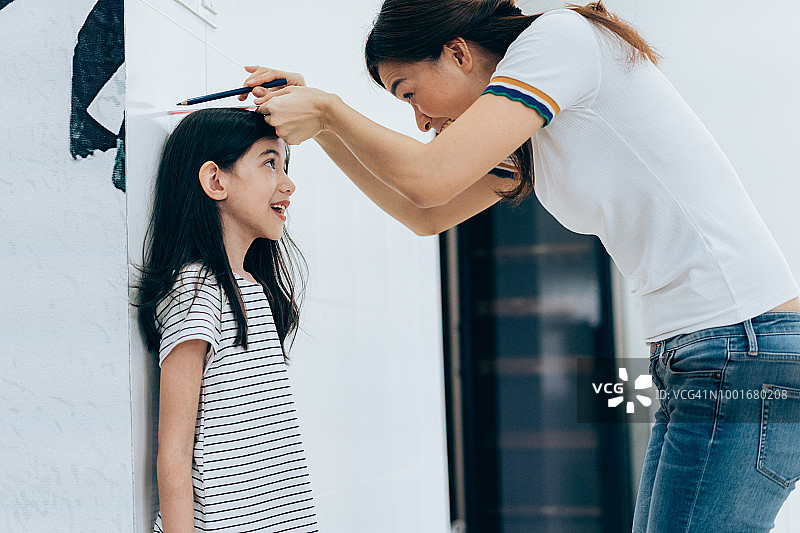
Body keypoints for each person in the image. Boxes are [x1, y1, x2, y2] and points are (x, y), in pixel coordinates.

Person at [240, 0, 800, 531]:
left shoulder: (560, 39)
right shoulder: (535, 127)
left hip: (742, 344)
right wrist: (323, 128)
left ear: (458, 52)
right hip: (706, 353)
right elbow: (423, 213)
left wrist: (331, 109)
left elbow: (429, 178)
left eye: (410, 93)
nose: (421, 120)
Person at [135, 108, 317, 532]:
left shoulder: (252, 288)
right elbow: (175, 453)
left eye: (285, 166)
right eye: (270, 163)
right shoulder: (197, 288)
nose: (288, 183)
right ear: (216, 181)